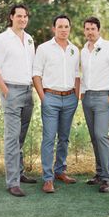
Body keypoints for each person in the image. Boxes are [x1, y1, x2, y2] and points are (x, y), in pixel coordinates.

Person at [0, 4, 37, 197]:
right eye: (19, 16)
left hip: (27, 92)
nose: (23, 19)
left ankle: (20, 172)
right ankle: (12, 182)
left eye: (25, 16)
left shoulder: (30, 39)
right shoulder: (1, 40)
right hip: (11, 91)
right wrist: (6, 91)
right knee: (12, 137)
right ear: (11, 17)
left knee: (20, 136)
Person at [33, 15, 80, 193]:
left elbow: (77, 75)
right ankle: (47, 178)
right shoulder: (44, 48)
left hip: (70, 99)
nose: (63, 29)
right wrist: (43, 97)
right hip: (50, 97)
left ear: (70, 28)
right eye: (60, 26)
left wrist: (76, 97)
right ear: (54, 28)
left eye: (66, 26)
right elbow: (36, 74)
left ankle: (60, 171)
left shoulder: (75, 50)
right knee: (48, 138)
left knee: (64, 138)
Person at [81, 17, 109, 193]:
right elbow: (83, 75)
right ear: (84, 31)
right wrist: (83, 95)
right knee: (94, 137)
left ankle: (107, 179)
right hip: (88, 98)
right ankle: (98, 174)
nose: (90, 32)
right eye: (87, 29)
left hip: (103, 98)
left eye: (93, 28)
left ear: (98, 30)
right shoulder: (83, 50)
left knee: (101, 135)